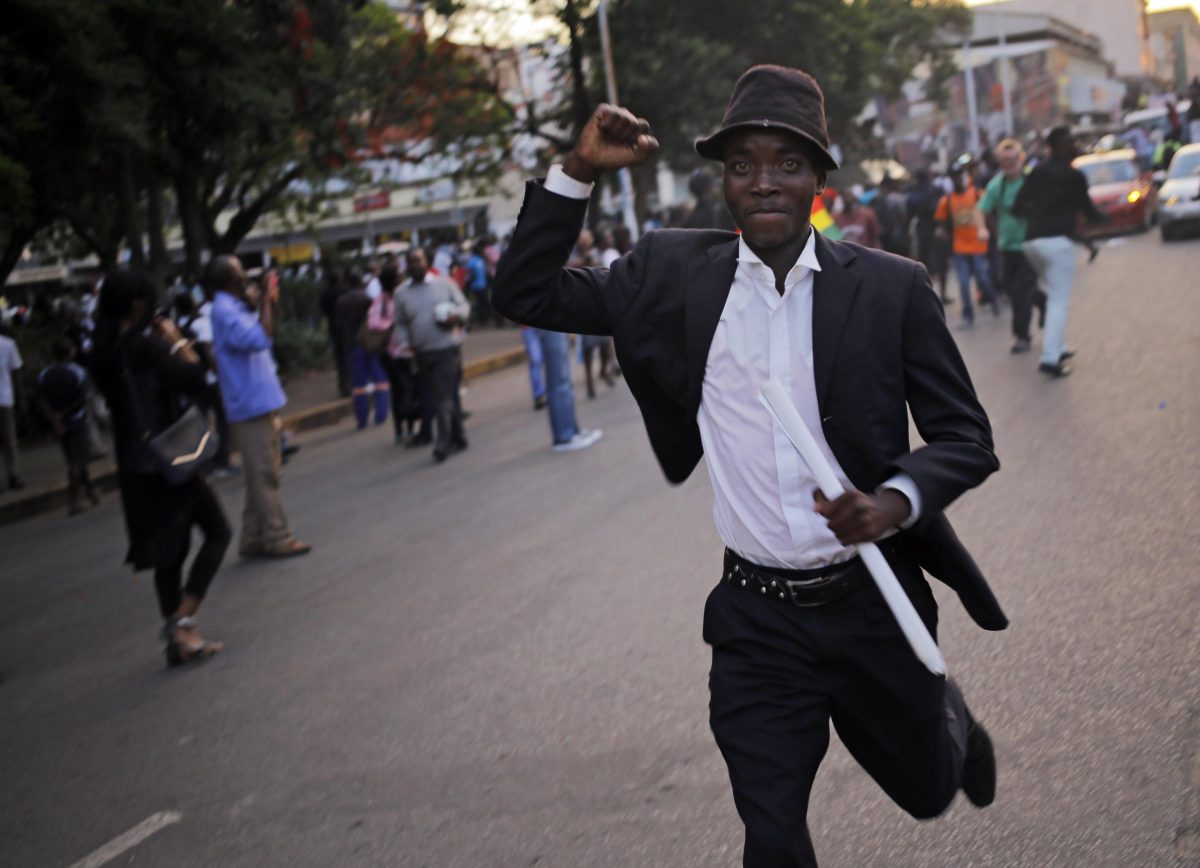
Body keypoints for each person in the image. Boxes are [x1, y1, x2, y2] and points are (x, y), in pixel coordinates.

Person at [493, 64, 1003, 867]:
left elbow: (966, 437)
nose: (763, 181)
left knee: (927, 789)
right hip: (757, 620)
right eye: (742, 165)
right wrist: (580, 167)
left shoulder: (890, 290)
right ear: (724, 182)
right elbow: (525, 294)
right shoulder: (670, 276)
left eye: (787, 163)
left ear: (819, 180)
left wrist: (893, 503)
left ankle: (949, 720)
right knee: (771, 835)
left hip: (870, 600)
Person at [89, 268, 230, 665]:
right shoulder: (144, 345)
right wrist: (176, 339)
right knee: (218, 532)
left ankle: (178, 643)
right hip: (168, 460)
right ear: (138, 303)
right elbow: (197, 376)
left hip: (135, 465)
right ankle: (182, 623)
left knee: (170, 552)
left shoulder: (102, 350)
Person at [208, 255, 311, 557]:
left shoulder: (233, 307)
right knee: (265, 475)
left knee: (259, 475)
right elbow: (261, 338)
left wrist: (263, 301)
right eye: (240, 271)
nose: (246, 275)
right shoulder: (225, 311)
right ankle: (277, 536)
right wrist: (265, 299)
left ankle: (253, 537)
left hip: (258, 400)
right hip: (250, 404)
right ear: (231, 279)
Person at [1013, 126, 1106, 378]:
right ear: (1061, 146)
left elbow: (1017, 207)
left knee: (1051, 291)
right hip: (1057, 243)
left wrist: (1038, 216)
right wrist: (1103, 216)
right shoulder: (1074, 176)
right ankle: (1051, 358)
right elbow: (1089, 211)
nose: (1075, 146)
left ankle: (1059, 346)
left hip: (1032, 243)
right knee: (1058, 300)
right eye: (1071, 142)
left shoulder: (1037, 172)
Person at [394, 249, 470, 463]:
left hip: (446, 348)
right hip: (421, 352)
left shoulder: (444, 284)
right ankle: (459, 437)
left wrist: (456, 316)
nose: (415, 265)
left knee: (442, 396)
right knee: (440, 395)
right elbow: (400, 323)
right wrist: (404, 343)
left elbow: (464, 305)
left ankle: (442, 443)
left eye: (418, 260)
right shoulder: (401, 293)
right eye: (411, 262)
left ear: (426, 262)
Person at [978, 139, 1040, 354]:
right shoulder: (997, 185)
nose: (1008, 164)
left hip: (1030, 246)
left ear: (1021, 158)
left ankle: (1021, 336)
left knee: (1021, 291)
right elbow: (981, 210)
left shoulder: (1032, 180)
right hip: (1007, 247)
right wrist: (982, 229)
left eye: (1012, 159)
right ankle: (1042, 300)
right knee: (1012, 290)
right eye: (1004, 160)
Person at [37, 338, 99, 514]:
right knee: (76, 462)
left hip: (58, 423)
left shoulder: (45, 374)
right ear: (70, 352)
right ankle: (74, 501)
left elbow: (41, 399)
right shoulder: (77, 372)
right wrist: (63, 414)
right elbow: (82, 399)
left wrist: (53, 417)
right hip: (75, 420)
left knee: (76, 457)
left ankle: (90, 492)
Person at [175, 292, 234, 476]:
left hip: (192, 383)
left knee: (201, 424)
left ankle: (206, 465)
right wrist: (219, 374)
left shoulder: (177, 326)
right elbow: (209, 350)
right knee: (222, 420)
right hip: (210, 380)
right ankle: (222, 461)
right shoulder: (201, 323)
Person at [935, 160, 998, 327]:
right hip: (959, 247)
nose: (957, 179)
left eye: (959, 175)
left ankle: (993, 300)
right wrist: (942, 233)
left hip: (978, 244)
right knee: (963, 282)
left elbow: (988, 215)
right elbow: (941, 222)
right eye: (953, 177)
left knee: (983, 278)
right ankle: (968, 314)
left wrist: (994, 235)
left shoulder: (977, 193)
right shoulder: (946, 201)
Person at [372, 265, 421, 444]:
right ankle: (400, 429)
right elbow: (373, 322)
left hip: (408, 350)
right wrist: (392, 324)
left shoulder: (405, 294)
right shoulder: (383, 300)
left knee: (410, 389)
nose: (402, 278)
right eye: (398, 276)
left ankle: (410, 427)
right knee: (400, 391)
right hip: (392, 353)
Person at [335, 274, 390, 430]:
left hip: (352, 346)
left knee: (358, 385)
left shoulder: (341, 302)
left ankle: (362, 418)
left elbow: (338, 326)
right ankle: (381, 414)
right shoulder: (367, 298)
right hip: (370, 343)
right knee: (380, 379)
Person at [907, 168, 952, 305]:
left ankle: (929, 296)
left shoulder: (913, 194)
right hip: (938, 228)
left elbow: (910, 211)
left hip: (923, 231)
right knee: (941, 264)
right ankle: (942, 294)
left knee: (925, 265)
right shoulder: (936, 190)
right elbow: (946, 208)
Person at [319, 267, 351, 397]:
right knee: (347, 357)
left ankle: (343, 386)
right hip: (346, 328)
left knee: (340, 359)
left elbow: (323, 310)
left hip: (334, 328)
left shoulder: (325, 294)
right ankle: (349, 385)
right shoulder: (345, 291)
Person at [0, 323, 24, 492]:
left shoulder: (8, 345)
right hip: (5, 399)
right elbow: (17, 373)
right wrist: (21, 398)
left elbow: (16, 372)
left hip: (4, 397)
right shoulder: (8, 344)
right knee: (9, 441)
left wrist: (21, 398)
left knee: (9, 440)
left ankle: (13, 475)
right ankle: (13, 475)